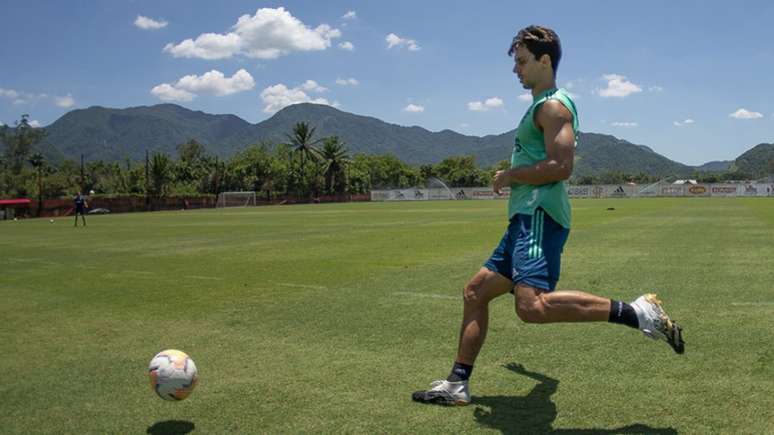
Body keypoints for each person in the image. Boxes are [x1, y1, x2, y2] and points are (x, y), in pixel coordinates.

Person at [412, 25, 684, 406]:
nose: (515, 70)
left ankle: (637, 312)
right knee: (475, 292)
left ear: (544, 61)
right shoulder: (540, 105)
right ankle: (458, 384)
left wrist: (509, 176)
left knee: (532, 306)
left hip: (538, 214)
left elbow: (561, 165)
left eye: (522, 62)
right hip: (523, 217)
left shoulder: (553, 106)